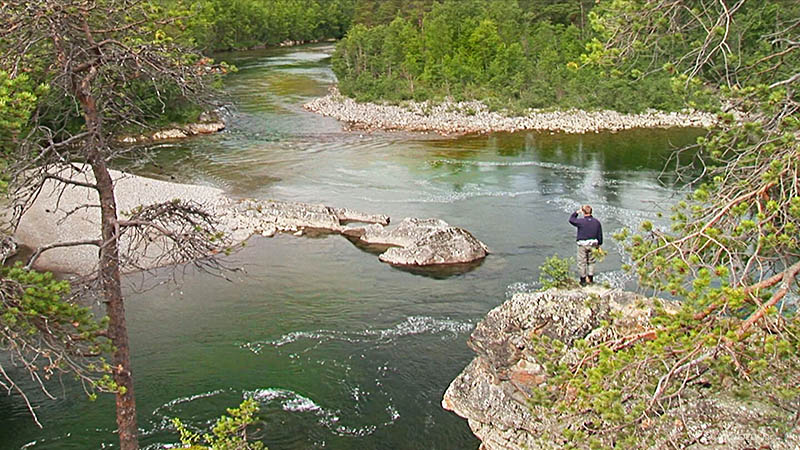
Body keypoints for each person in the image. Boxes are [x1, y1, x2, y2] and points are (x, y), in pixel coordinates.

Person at [569, 205, 603, 286]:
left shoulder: (581, 222)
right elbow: (600, 234)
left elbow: (571, 219)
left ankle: (583, 280)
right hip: (593, 244)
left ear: (583, 212)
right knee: (591, 262)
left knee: (582, 262)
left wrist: (577, 212)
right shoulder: (597, 222)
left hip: (582, 245)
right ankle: (590, 278)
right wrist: (599, 244)